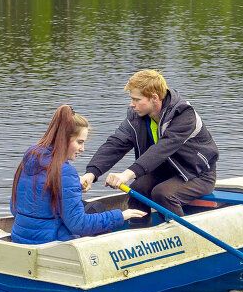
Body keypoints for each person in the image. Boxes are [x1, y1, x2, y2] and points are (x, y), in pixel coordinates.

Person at [80, 70, 219, 225]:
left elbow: (162, 149)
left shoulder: (183, 115)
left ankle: (182, 237)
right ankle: (139, 235)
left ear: (154, 98)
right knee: (138, 188)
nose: (131, 104)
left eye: (136, 99)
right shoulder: (136, 117)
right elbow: (115, 144)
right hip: (165, 171)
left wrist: (127, 174)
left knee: (163, 193)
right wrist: (91, 173)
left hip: (198, 175)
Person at [10, 105, 145, 244]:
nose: (82, 149)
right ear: (63, 139)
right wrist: (121, 216)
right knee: (97, 208)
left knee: (86, 206)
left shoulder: (29, 160)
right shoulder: (66, 172)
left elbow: (15, 209)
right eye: (79, 142)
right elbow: (79, 225)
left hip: (19, 236)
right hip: (51, 242)